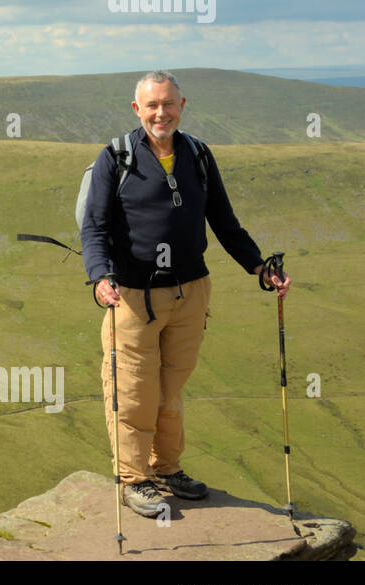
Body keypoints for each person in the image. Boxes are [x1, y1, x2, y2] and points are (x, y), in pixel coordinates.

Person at [80, 70, 291, 517]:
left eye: (168, 103)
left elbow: (225, 222)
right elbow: (94, 228)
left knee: (169, 389)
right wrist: (100, 277)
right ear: (137, 110)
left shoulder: (197, 154)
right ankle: (134, 479)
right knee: (132, 391)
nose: (161, 112)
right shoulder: (115, 157)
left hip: (191, 292)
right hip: (134, 297)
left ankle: (165, 469)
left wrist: (259, 267)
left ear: (182, 105)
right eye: (152, 105)